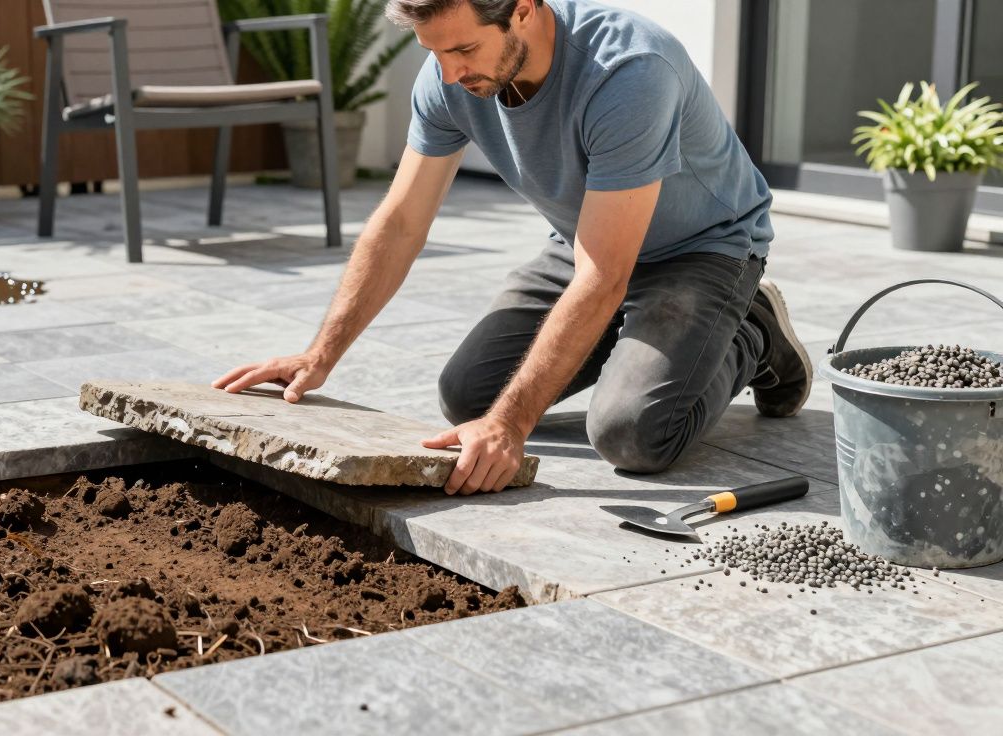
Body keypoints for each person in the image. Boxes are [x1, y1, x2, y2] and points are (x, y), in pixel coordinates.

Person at [213, 0, 811, 495]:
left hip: (702, 249)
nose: (449, 74)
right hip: (585, 241)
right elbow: (399, 223)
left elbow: (604, 276)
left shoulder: (629, 70)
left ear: (523, 9)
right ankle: (642, 346)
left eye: (464, 50)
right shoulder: (448, 78)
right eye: (434, 52)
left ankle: (751, 331)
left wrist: (511, 425)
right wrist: (319, 355)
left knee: (632, 436)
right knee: (466, 397)